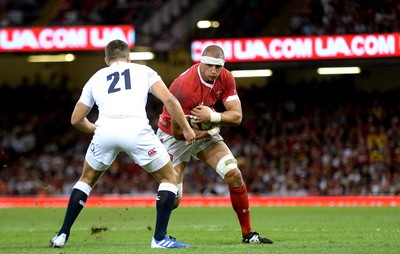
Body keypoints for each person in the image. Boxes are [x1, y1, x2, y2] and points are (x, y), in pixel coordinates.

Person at [49, 39, 196, 249]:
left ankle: (62, 235)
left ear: (106, 59)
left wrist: (95, 129)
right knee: (169, 178)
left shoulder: (96, 77)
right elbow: (170, 100)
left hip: (105, 130)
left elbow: (75, 119)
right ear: (129, 57)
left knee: (86, 179)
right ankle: (160, 238)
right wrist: (186, 128)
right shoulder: (144, 71)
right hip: (136, 130)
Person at [157, 45, 273, 244]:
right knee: (173, 199)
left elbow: (237, 116)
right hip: (173, 136)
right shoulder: (183, 87)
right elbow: (179, 134)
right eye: (209, 66)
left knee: (234, 174)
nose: (213, 71)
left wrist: (213, 116)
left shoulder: (225, 77)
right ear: (201, 63)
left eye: (217, 67)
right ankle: (161, 237)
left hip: (203, 130)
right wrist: (210, 129)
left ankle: (248, 234)